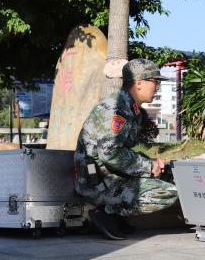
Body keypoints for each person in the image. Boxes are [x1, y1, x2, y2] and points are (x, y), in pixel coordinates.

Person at [74, 59, 179, 240]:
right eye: (155, 81)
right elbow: (110, 152)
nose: (157, 87)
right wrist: (147, 166)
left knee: (173, 174)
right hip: (98, 182)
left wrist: (153, 163)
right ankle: (107, 212)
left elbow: (120, 150)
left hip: (111, 174)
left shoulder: (130, 107)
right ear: (139, 83)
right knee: (168, 193)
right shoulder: (116, 108)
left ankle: (116, 214)